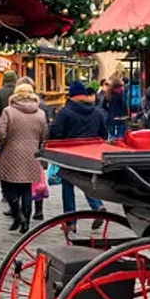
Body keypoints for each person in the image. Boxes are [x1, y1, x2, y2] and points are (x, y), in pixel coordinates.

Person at [0, 82, 49, 233]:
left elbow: (0, 132)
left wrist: (0, 145)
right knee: (26, 188)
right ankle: (26, 221)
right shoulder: (40, 114)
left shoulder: (8, 111)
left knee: (7, 185)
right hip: (31, 155)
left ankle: (18, 214)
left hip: (10, 153)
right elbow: (45, 135)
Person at [48, 80, 107, 213]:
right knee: (87, 182)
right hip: (91, 155)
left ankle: (71, 221)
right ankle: (97, 205)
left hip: (69, 156)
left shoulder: (65, 112)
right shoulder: (97, 112)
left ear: (71, 96)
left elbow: (55, 133)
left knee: (68, 185)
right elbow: (104, 134)